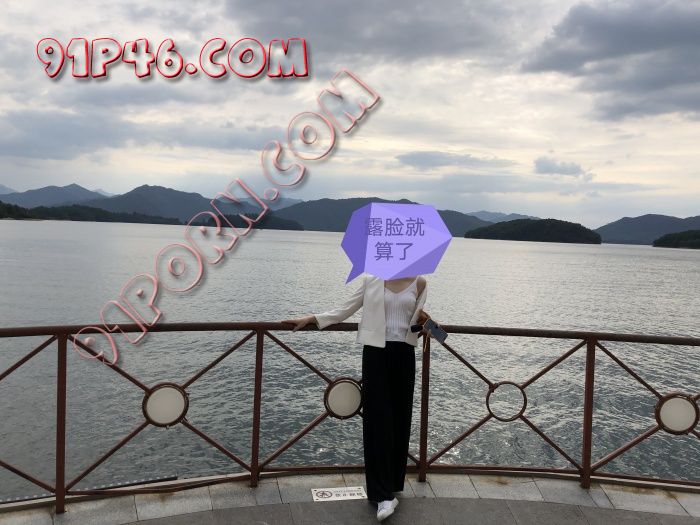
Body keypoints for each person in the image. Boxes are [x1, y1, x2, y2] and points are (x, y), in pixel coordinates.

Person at [282, 273, 431, 522]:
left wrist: (427, 323)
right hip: (375, 354)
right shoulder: (372, 280)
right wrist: (312, 319)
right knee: (377, 421)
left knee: (400, 419)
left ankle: (393, 483)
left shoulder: (420, 283)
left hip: (405, 355)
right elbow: (345, 309)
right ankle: (381, 494)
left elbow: (415, 321)